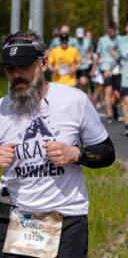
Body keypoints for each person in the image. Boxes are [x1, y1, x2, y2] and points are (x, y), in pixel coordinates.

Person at [0, 30, 115, 257]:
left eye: (24, 66)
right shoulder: (1, 109)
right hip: (16, 218)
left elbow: (107, 153)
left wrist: (75, 154)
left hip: (66, 218)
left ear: (43, 63)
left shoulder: (74, 100)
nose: (17, 75)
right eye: (10, 68)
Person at [96, 22, 118, 124]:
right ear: (108, 31)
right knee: (108, 91)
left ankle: (115, 106)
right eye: (110, 31)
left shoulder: (119, 39)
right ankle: (109, 115)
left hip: (117, 67)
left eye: (114, 31)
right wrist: (93, 68)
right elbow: (98, 54)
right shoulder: (102, 40)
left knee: (118, 95)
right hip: (106, 67)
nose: (112, 33)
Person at [74, 27, 94, 93]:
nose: (80, 38)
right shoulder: (72, 41)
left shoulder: (88, 41)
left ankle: (85, 96)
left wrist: (90, 54)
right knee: (76, 84)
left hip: (84, 64)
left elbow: (91, 47)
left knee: (83, 82)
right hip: (75, 65)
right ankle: (77, 97)